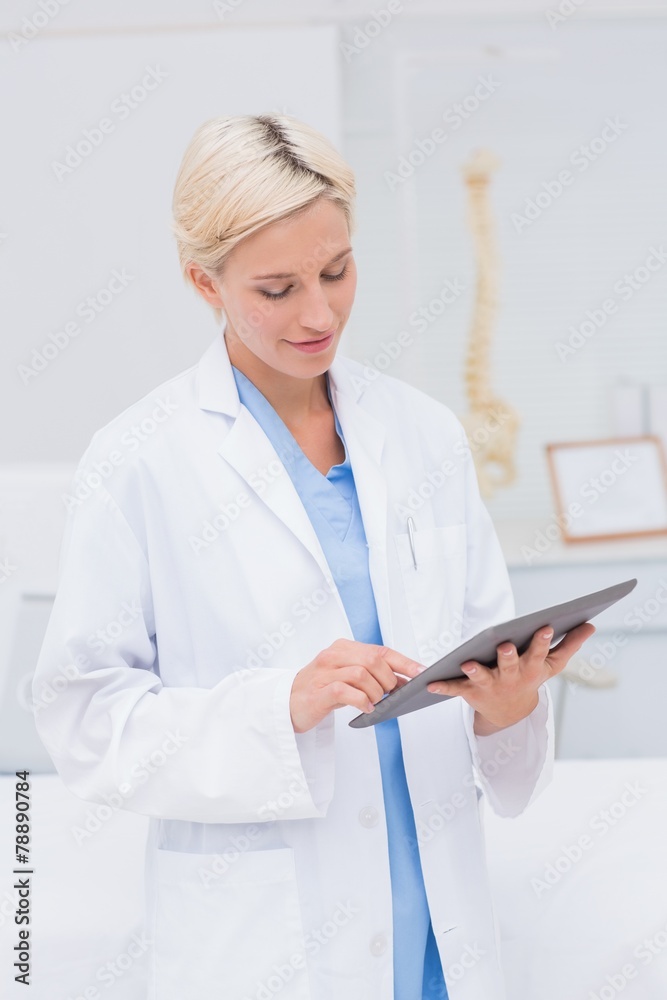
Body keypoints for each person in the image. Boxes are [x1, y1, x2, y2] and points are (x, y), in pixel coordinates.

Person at [33, 113, 594, 1000]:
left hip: (438, 942)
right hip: (267, 951)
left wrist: (509, 705)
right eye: (277, 288)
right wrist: (278, 707)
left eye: (336, 272)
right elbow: (84, 719)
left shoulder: (422, 434)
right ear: (203, 281)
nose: (319, 313)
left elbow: (492, 690)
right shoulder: (139, 460)